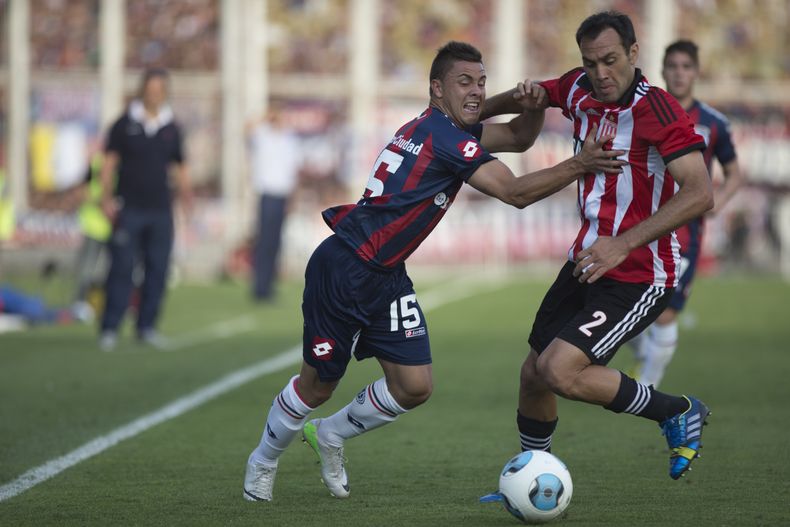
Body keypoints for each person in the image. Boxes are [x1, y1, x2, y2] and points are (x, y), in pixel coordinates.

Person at [242, 41, 625, 502]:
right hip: (344, 267)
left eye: (482, 82)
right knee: (317, 384)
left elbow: (520, 138)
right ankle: (263, 459)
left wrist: (534, 104)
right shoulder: (448, 138)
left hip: (385, 273)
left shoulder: (441, 128)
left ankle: (330, 434)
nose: (478, 91)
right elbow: (516, 193)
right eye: (465, 82)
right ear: (436, 88)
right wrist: (581, 162)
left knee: (414, 385)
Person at [481, 11, 713, 481]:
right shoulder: (578, 88)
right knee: (533, 376)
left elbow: (700, 192)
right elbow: (537, 92)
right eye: (590, 63)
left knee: (560, 371)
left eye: (609, 60)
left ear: (633, 53)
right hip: (585, 264)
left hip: (639, 271)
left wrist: (622, 244)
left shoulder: (659, 110)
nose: (600, 74)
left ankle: (677, 410)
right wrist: (470, 112)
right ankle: (535, 472)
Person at [631, 40, 743, 387]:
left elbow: (734, 173)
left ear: (695, 72)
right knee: (625, 301)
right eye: (673, 66)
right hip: (639, 223)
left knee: (666, 312)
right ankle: (642, 357)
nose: (679, 73)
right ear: (662, 70)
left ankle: (646, 388)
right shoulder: (642, 113)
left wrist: (715, 203)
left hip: (684, 232)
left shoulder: (713, 123)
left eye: (686, 66)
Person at [98, 68, 193, 351]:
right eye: (150, 90)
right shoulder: (124, 124)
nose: (154, 95)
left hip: (161, 210)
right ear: (143, 91)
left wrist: (187, 196)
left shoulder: (171, 127)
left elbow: (179, 166)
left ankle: (146, 326)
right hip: (130, 207)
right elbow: (108, 163)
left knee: (158, 269)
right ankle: (110, 327)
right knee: (122, 268)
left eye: (159, 90)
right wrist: (105, 198)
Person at [246, 106, 301, 301]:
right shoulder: (263, 135)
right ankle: (259, 286)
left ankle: (269, 284)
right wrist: (265, 115)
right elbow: (247, 128)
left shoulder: (289, 139)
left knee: (276, 242)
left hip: (282, 195)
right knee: (264, 241)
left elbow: (293, 170)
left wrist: (293, 197)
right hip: (267, 194)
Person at [72, 152, 113, 322]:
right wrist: (98, 202)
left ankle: (102, 304)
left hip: (112, 227)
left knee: (108, 271)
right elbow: (80, 191)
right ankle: (80, 304)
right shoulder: (96, 164)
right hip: (93, 226)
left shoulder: (122, 164)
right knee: (86, 269)